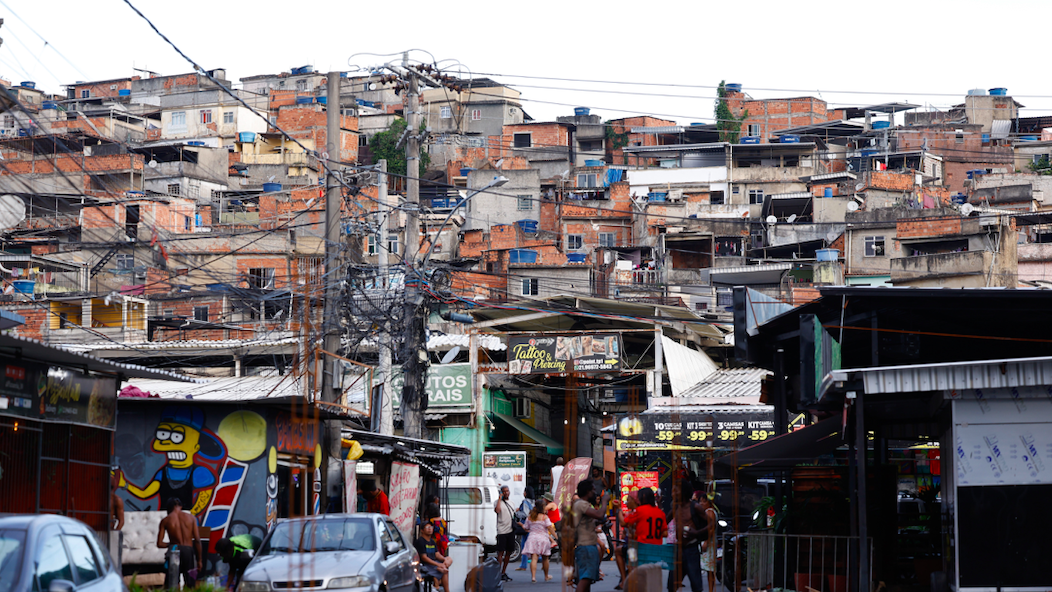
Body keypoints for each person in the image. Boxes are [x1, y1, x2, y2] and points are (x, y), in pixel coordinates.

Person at [666, 483, 707, 592]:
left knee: (696, 585)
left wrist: (697, 533)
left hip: (691, 549)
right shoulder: (676, 507)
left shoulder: (695, 507)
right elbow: (665, 521)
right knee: (672, 585)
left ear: (683, 492)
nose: (673, 493)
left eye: (676, 490)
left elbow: (711, 524)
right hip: (678, 550)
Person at [157, 497, 202, 589]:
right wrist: (199, 560)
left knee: (172, 583)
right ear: (180, 506)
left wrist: (171, 544)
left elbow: (159, 544)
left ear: (169, 508)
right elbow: (197, 540)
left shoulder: (165, 520)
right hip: (188, 551)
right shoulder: (191, 518)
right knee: (190, 584)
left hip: (174, 551)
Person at [572, 480, 608, 592]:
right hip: (586, 546)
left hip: (586, 545)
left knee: (588, 580)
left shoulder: (580, 504)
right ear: (587, 492)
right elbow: (599, 515)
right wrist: (605, 501)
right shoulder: (581, 504)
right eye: (593, 490)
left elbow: (587, 522)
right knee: (586, 579)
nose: (594, 492)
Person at [521, 497, 555, 583]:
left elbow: (526, 527)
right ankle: (546, 576)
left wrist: (521, 525)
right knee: (545, 559)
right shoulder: (544, 517)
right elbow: (549, 527)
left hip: (532, 538)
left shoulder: (530, 517)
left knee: (534, 559)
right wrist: (555, 537)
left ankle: (533, 577)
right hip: (543, 539)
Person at [415, 521, 450, 592]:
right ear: (422, 530)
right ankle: (441, 585)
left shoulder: (432, 541)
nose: (430, 529)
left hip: (434, 563)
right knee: (444, 571)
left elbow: (437, 554)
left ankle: (440, 570)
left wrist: (444, 560)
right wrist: (438, 564)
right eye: (427, 527)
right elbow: (424, 558)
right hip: (426, 565)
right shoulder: (420, 541)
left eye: (431, 527)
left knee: (449, 559)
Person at [493, 485, 516, 581]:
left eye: (507, 491)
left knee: (509, 552)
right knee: (500, 553)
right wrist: (499, 499)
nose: (507, 492)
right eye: (504, 491)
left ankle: (503, 572)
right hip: (502, 531)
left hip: (511, 530)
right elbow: (497, 510)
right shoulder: (497, 502)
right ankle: (497, 573)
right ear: (501, 492)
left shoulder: (511, 503)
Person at [698, 494, 718, 592]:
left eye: (704, 501)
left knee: (710, 569)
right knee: (709, 569)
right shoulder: (707, 512)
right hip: (708, 541)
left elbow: (711, 528)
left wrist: (706, 542)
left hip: (709, 543)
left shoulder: (709, 512)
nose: (701, 503)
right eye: (700, 501)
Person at [515, 486, 536, 572]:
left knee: (524, 545)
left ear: (526, 493)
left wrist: (517, 512)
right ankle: (540, 559)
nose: (523, 493)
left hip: (526, 524)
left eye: (524, 491)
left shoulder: (525, 502)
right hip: (533, 524)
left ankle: (523, 565)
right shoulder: (534, 502)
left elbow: (526, 514)